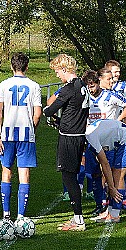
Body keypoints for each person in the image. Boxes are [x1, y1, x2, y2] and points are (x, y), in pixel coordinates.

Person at [43, 53, 89, 231]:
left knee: (68, 177)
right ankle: (77, 216)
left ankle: (78, 219)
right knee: (73, 176)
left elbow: (49, 110)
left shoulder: (68, 88)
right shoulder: (82, 86)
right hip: (79, 135)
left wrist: (48, 113)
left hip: (69, 138)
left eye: (57, 71)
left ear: (64, 69)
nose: (56, 75)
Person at [0, 52, 42, 220]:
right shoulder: (35, 86)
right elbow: (37, 114)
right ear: (27, 67)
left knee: (6, 171)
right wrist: (31, 128)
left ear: (11, 66)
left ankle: (6, 214)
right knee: (24, 173)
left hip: (7, 135)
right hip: (25, 135)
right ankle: (21, 215)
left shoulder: (4, 85)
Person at [82, 69, 126, 215]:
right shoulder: (84, 97)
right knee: (94, 174)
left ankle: (114, 205)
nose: (90, 89)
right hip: (92, 139)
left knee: (110, 172)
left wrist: (117, 122)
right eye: (88, 86)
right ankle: (100, 204)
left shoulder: (110, 96)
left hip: (108, 142)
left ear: (98, 82)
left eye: (92, 85)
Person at [86, 119, 126, 223]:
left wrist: (111, 187)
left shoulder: (90, 136)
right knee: (114, 173)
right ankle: (110, 211)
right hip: (122, 141)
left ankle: (114, 214)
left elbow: (105, 163)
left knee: (118, 175)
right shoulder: (91, 132)